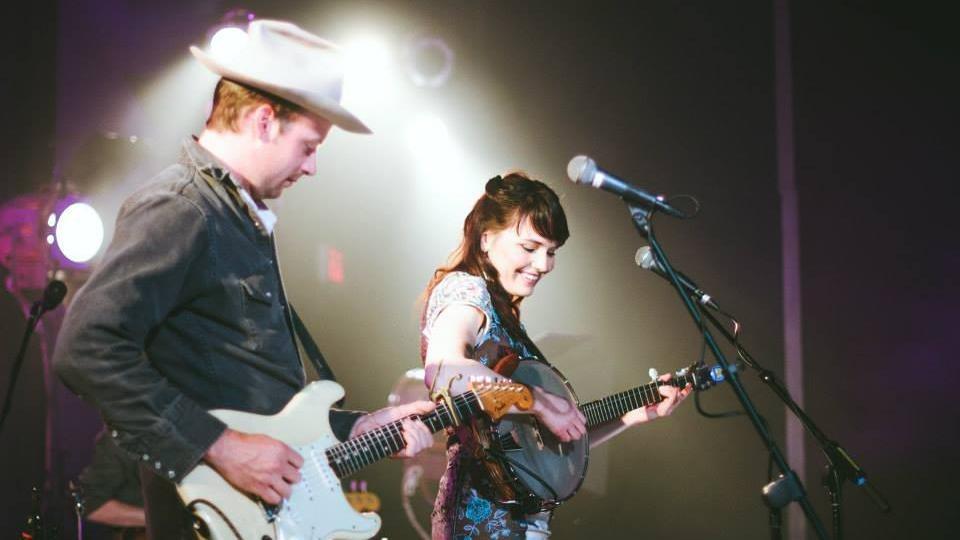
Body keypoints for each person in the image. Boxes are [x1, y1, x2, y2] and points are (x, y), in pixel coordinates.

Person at [53, 20, 435, 538]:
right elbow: (86, 346)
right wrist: (220, 445)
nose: (314, 166)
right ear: (262, 121)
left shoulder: (240, 217)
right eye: (308, 144)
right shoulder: (181, 206)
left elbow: (261, 406)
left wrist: (359, 427)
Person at [420, 173, 692, 539]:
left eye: (551, 252)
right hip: (479, 522)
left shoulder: (505, 316)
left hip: (521, 523)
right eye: (530, 247)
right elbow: (443, 370)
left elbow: (541, 449)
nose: (544, 264)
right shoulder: (466, 291)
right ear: (486, 238)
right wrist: (538, 401)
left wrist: (633, 415)